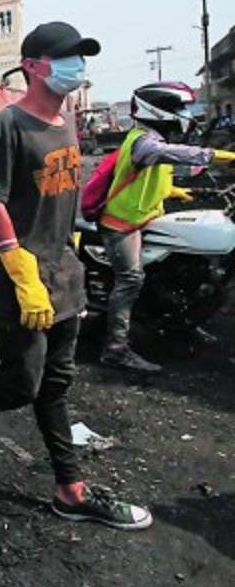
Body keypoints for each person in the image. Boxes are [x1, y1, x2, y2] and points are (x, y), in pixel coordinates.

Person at [0, 21, 153, 530]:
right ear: (32, 66)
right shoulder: (8, 125)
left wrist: (74, 250)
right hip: (21, 280)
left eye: (81, 57)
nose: (77, 67)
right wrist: (19, 268)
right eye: (66, 57)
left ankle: (69, 491)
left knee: (56, 385)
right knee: (23, 383)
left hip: (63, 274)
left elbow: (63, 195)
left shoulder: (67, 120)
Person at [96, 81, 235, 374]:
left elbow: (149, 176)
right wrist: (219, 156)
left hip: (146, 217)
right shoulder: (143, 141)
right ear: (157, 110)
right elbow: (172, 154)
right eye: (177, 108)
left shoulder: (154, 137)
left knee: (183, 268)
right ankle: (116, 349)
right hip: (122, 224)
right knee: (131, 280)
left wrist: (173, 192)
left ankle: (181, 325)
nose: (184, 114)